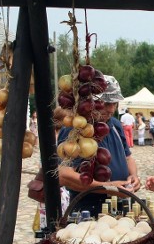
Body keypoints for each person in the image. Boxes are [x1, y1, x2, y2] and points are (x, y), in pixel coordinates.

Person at [57, 75, 141, 216]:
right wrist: (108, 187)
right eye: (106, 104)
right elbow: (64, 175)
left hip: (121, 208)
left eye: (114, 104)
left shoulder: (115, 125)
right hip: (88, 211)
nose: (111, 109)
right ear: (91, 102)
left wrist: (133, 176)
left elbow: (128, 158)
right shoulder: (76, 129)